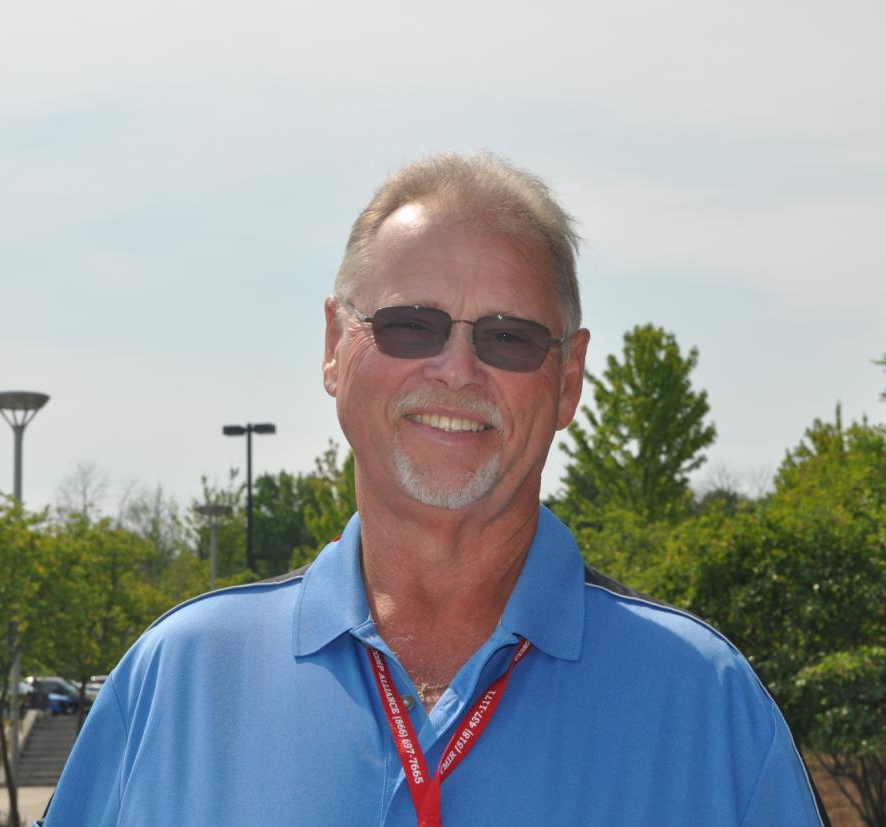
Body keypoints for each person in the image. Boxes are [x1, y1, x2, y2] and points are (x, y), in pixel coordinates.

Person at [41, 152, 829, 825]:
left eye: (508, 337)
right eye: (409, 325)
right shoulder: (177, 684)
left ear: (568, 379)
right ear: (334, 346)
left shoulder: (708, 707)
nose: (457, 370)